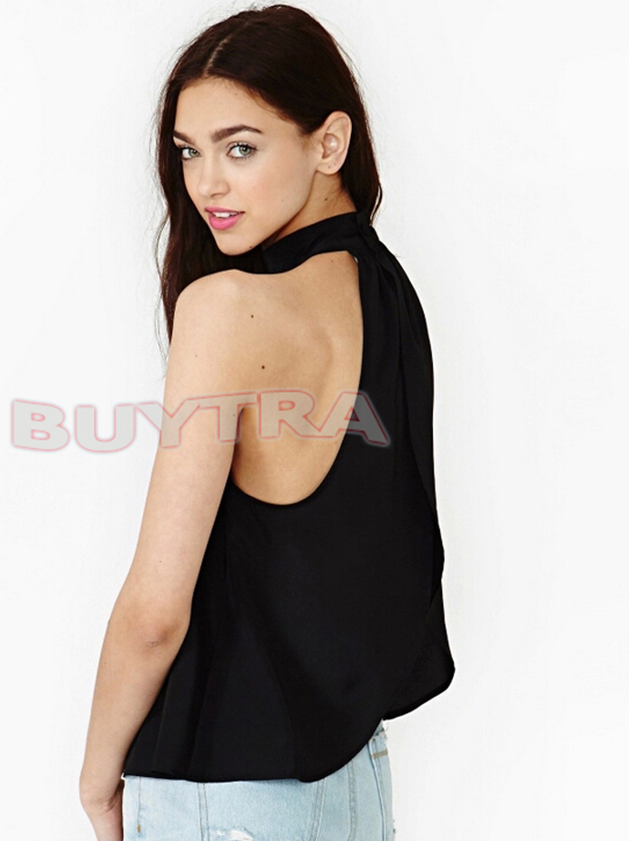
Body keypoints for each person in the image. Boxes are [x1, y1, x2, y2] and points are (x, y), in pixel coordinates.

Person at [79, 5, 455, 840]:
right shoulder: (387, 292)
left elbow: (155, 611)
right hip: (355, 776)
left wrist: (98, 776)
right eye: (189, 151)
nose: (206, 183)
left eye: (240, 148)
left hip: (223, 792)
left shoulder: (228, 308)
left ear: (330, 143)